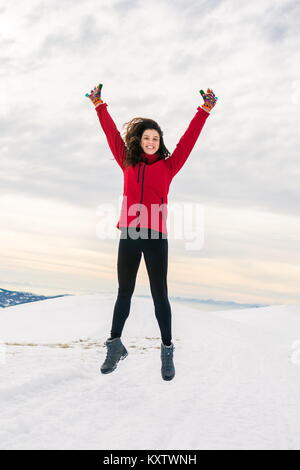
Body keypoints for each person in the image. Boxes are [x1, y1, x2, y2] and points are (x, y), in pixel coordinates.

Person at [85, 84, 218, 381]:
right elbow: (111, 134)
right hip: (130, 234)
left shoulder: (169, 167)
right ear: (139, 140)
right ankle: (115, 344)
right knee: (124, 292)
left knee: (160, 294)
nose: (150, 141)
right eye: (146, 137)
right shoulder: (127, 161)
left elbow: (188, 141)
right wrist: (99, 105)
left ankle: (167, 350)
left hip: (156, 235)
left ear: (160, 143)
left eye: (155, 138)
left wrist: (204, 111)